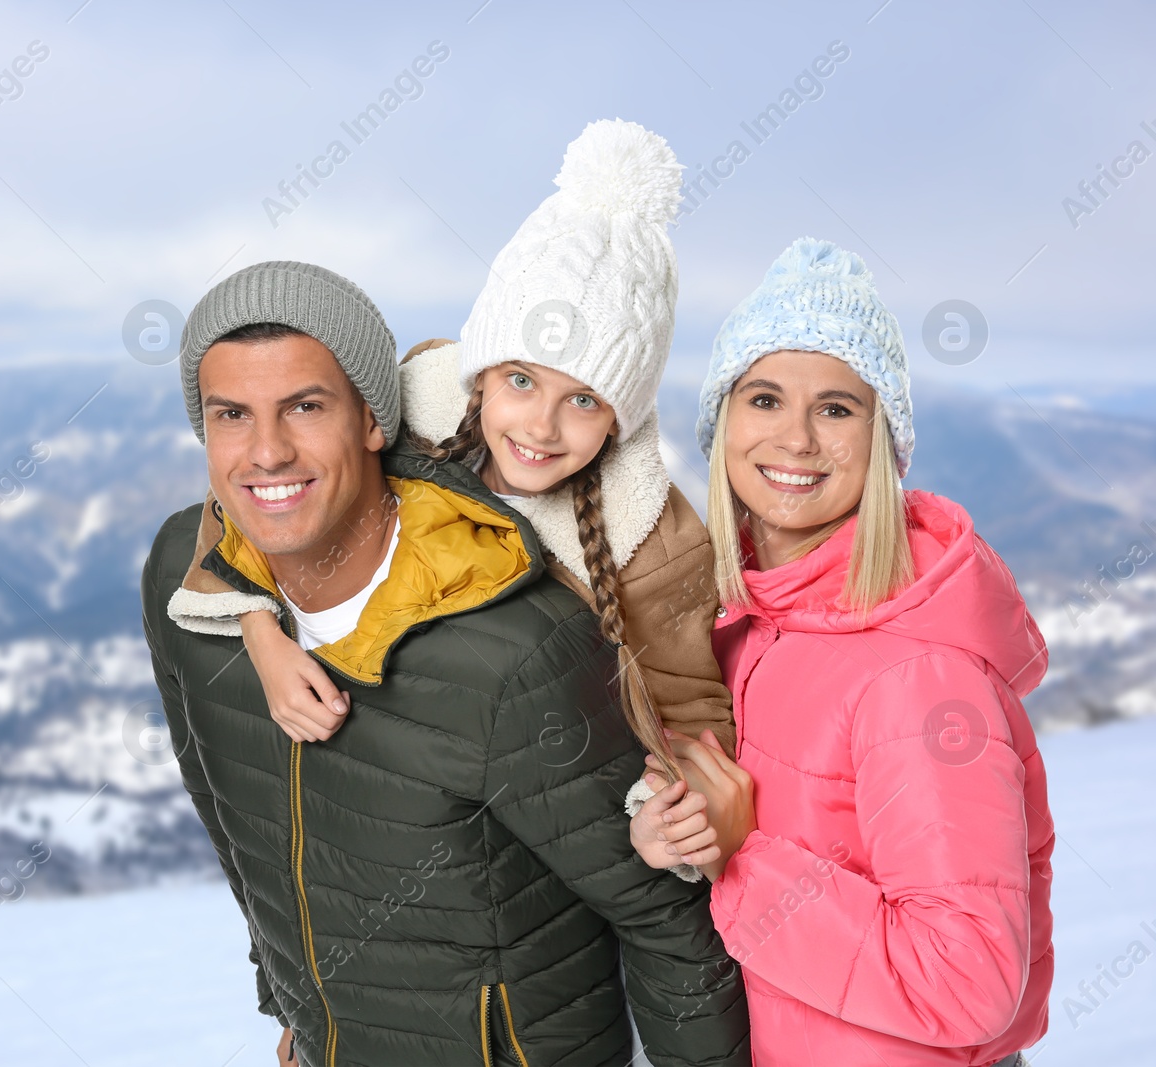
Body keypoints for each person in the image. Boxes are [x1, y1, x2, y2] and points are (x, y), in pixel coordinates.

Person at [141, 258, 749, 1065]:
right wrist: (292, 1002)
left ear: (371, 418)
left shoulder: (515, 648)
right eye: (231, 415)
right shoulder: (186, 593)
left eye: (305, 407)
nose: (267, 451)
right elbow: (229, 818)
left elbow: (665, 921)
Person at [168, 121, 735, 818]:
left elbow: (693, 709)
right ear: (479, 372)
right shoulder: (415, 411)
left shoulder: (650, 539)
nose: (540, 426)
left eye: (583, 399)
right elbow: (260, 487)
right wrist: (262, 631)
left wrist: (665, 809)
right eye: (520, 381)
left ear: (621, 415)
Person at [631, 237, 1054, 1066]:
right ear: (721, 426)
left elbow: (967, 980)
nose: (795, 438)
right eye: (762, 398)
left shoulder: (921, 676)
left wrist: (744, 854)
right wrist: (672, 834)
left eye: (835, 407)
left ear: (882, 440)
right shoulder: (748, 624)